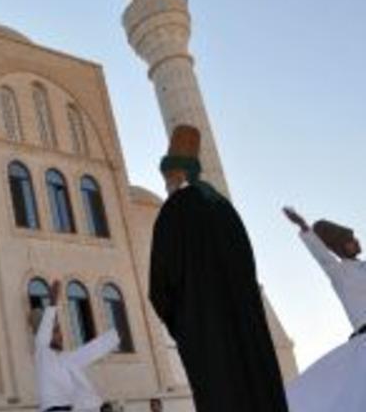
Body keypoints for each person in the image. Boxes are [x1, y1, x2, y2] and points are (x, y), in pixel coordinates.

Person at [149, 125, 288, 412]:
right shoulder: (225, 210)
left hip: (206, 334)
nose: (166, 184)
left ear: (181, 174)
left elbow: (159, 287)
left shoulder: (173, 211)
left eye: (169, 177)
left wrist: (184, 325)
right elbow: (248, 267)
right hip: (248, 329)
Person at [283, 208, 366, 411]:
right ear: (338, 247)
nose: (355, 241)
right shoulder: (339, 272)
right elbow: (322, 257)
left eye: (354, 237)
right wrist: (304, 227)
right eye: (349, 240)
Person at [32, 280, 121, 412]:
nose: (61, 336)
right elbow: (45, 330)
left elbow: (91, 350)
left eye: (60, 332)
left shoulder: (66, 358)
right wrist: (52, 302)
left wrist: (116, 336)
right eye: (56, 332)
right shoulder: (42, 351)